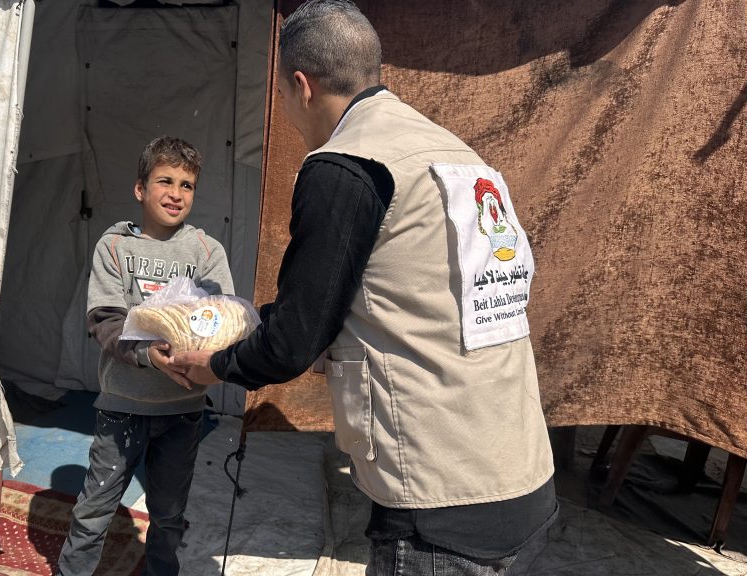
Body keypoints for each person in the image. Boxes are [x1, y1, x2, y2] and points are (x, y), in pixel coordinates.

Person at [170, 1, 558, 574]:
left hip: (439, 503)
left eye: (280, 93)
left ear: (301, 85)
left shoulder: (347, 165)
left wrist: (213, 366)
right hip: (522, 476)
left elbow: (295, 340)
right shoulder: (461, 159)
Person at [56, 136, 234, 576]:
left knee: (169, 513)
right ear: (140, 189)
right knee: (95, 511)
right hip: (122, 409)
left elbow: (221, 319)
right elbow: (106, 322)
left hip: (183, 410)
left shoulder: (207, 252)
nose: (176, 193)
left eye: (187, 185)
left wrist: (208, 348)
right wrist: (151, 355)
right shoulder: (115, 247)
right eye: (165, 181)